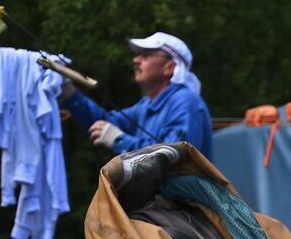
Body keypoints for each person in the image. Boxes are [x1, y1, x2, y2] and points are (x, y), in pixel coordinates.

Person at [62, 31, 214, 159]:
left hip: (181, 195)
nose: (136, 60)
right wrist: (68, 90)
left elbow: (171, 155)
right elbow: (103, 123)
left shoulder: (185, 101)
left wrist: (119, 140)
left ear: (169, 67)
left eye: (146, 55)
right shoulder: (146, 105)